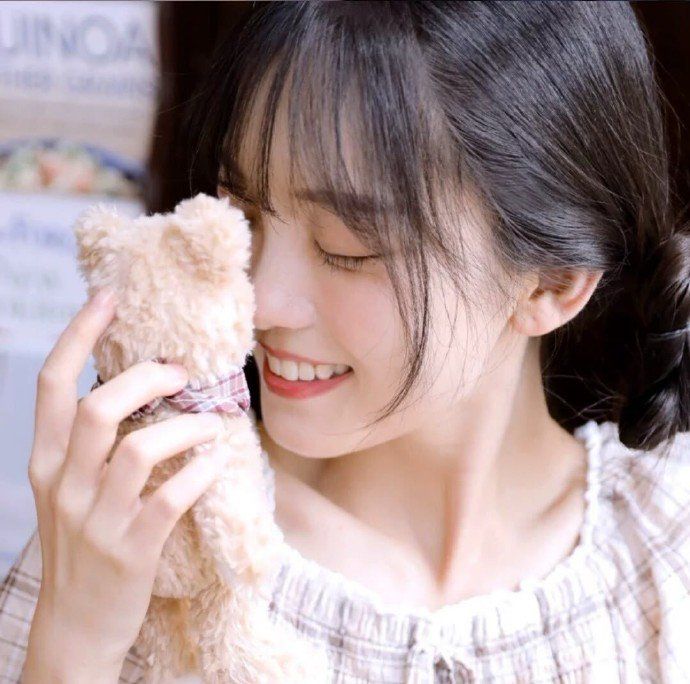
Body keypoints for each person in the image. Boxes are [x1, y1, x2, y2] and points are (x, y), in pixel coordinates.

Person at [2, 1, 690, 682]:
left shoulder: (668, 541)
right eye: (244, 217)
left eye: (346, 248)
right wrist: (74, 645)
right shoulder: (148, 534)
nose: (260, 299)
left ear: (553, 283)